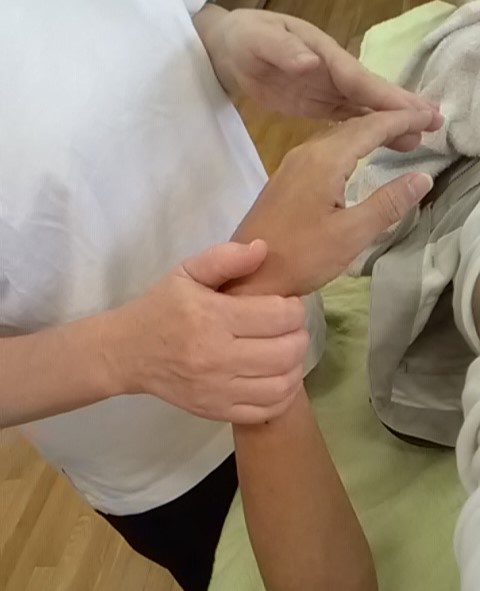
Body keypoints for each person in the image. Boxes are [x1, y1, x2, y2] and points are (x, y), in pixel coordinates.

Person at [0, 1, 442, 590]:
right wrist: (123, 350)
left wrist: (223, 38)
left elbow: (175, 14)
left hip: (293, 312)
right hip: (168, 456)